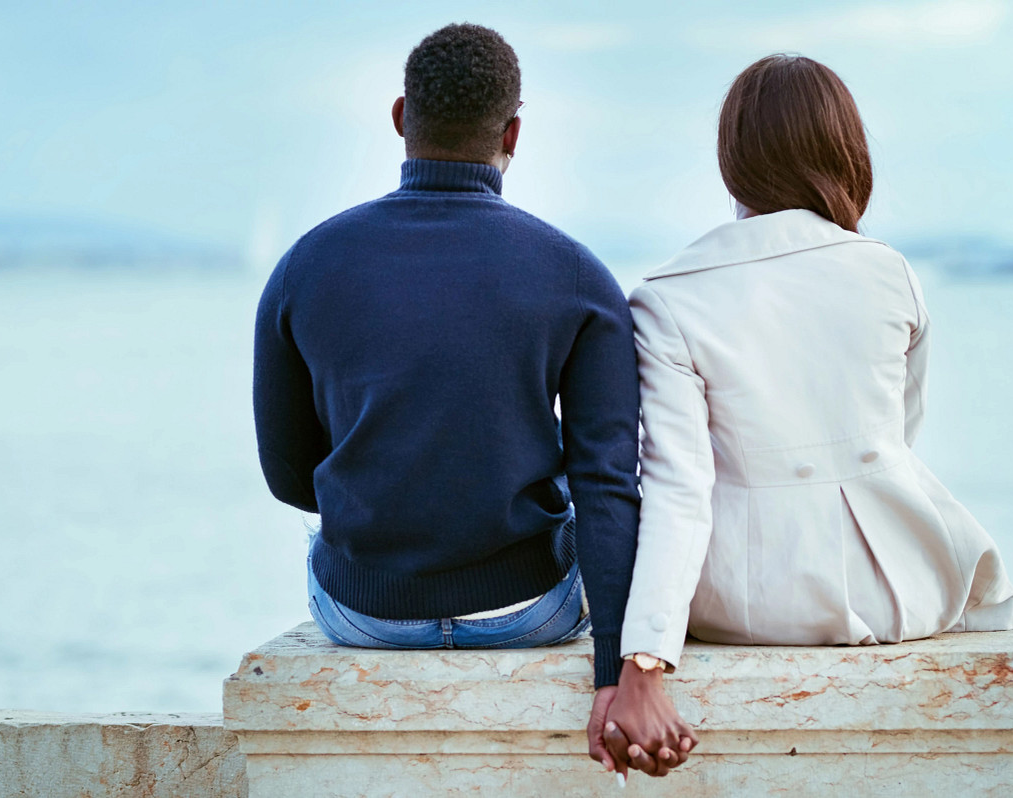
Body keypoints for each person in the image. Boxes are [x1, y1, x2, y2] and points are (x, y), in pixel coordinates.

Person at [251, 23, 691, 778]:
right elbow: (607, 487)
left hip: (362, 614)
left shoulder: (306, 265)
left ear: (400, 117)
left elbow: (289, 477)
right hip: (527, 610)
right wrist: (615, 673)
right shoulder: (578, 277)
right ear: (514, 130)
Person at [595, 54, 1013, 771]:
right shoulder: (890, 271)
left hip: (743, 606)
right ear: (844, 151)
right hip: (899, 588)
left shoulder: (670, 296)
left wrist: (644, 663)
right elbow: (899, 436)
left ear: (733, 162)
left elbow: (678, 488)